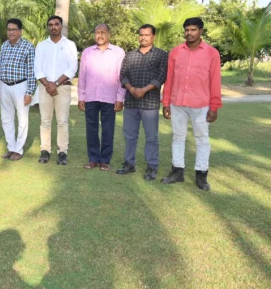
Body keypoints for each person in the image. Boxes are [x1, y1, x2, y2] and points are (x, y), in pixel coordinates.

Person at [161, 17, 221, 191]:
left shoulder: (212, 53)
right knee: (178, 137)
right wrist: (166, 102)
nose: (189, 33)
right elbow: (169, 79)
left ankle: (201, 176)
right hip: (177, 103)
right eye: (187, 30)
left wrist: (214, 107)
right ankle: (177, 172)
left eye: (193, 29)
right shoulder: (175, 52)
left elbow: (215, 81)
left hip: (201, 104)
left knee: (202, 139)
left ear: (201, 31)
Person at [116, 24, 168, 180]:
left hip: (150, 104)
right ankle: (129, 164)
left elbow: (161, 76)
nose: (143, 37)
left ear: (153, 36)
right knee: (130, 136)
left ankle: (152, 167)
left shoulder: (161, 55)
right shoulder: (130, 55)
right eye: (141, 34)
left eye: (147, 35)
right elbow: (123, 75)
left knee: (151, 138)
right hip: (131, 103)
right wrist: (132, 89)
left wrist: (144, 90)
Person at [78, 24, 126, 171]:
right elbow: (82, 75)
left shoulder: (118, 52)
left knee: (108, 129)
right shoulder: (87, 52)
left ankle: (105, 160)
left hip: (110, 98)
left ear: (109, 34)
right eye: (97, 32)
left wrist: (120, 98)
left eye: (103, 32)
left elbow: (122, 76)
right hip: (91, 97)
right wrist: (81, 96)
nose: (100, 35)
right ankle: (93, 159)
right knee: (91, 129)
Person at [34, 15, 78, 166]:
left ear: (61, 26)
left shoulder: (69, 45)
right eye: (50, 25)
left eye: (56, 24)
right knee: (45, 121)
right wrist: (48, 85)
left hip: (63, 87)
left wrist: (56, 84)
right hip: (45, 88)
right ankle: (45, 150)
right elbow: (37, 68)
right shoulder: (41, 45)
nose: (53, 27)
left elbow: (72, 67)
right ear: (48, 27)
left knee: (62, 121)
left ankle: (62, 152)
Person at [0, 18, 36, 161]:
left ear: (20, 31)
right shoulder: (4, 45)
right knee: (6, 118)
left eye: (14, 29)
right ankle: (11, 147)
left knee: (22, 119)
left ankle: (19, 149)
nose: (11, 32)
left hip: (20, 86)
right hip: (4, 85)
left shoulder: (28, 47)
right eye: (9, 29)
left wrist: (29, 92)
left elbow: (31, 71)